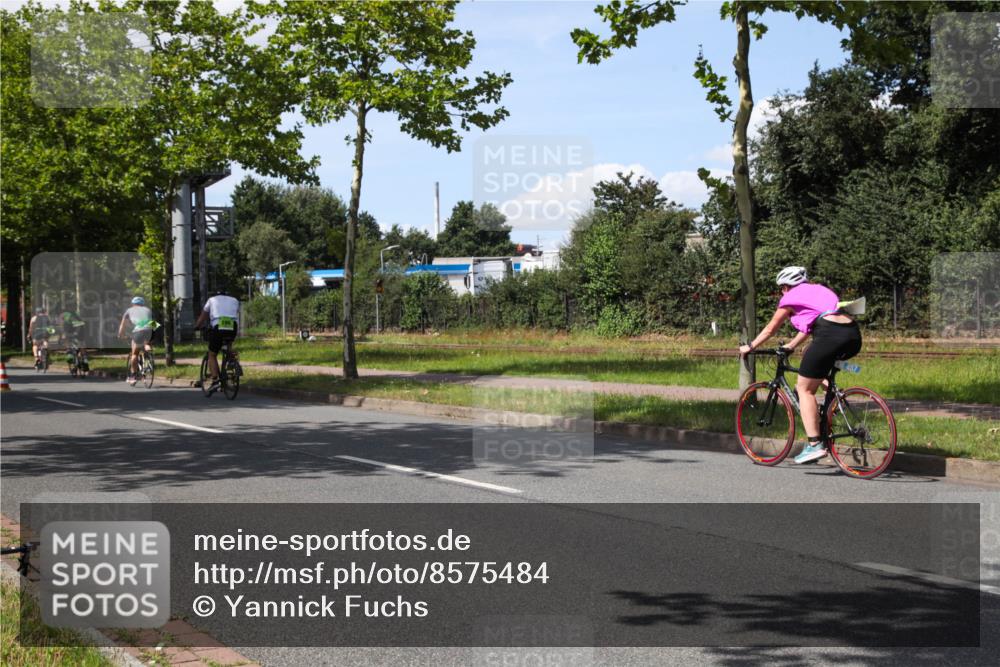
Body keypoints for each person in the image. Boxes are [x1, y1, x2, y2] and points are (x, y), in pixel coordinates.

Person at [738, 266, 862, 464]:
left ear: (786, 287)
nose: (782, 292)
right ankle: (834, 399)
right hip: (853, 335)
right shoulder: (821, 290)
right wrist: (792, 345)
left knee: (804, 389)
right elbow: (812, 324)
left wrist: (750, 346)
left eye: (781, 288)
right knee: (813, 362)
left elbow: (770, 329)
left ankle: (814, 445)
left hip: (828, 335)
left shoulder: (789, 298)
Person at [194, 289, 240, 395]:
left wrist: (197, 326)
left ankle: (215, 380)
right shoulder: (234, 300)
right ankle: (231, 364)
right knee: (228, 345)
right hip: (232, 327)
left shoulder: (211, 300)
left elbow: (203, 316)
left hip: (219, 327)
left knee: (212, 354)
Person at [118, 296, 155, 386]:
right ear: (143, 304)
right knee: (147, 341)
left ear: (133, 304)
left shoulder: (129, 310)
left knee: (134, 354)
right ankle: (147, 349)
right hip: (151, 330)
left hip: (138, 331)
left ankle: (133, 377)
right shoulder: (148, 310)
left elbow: (122, 325)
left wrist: (120, 335)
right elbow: (154, 323)